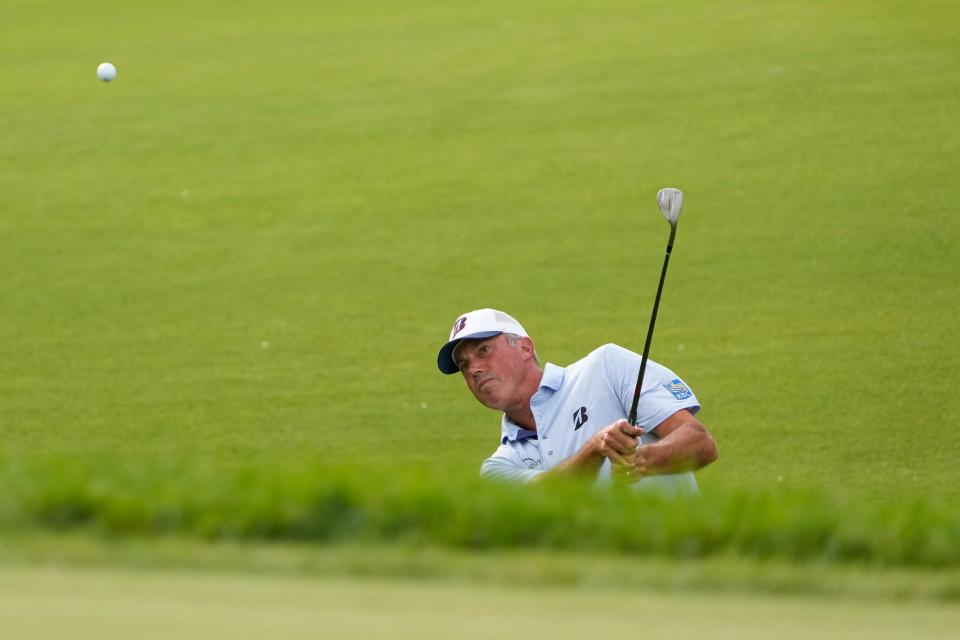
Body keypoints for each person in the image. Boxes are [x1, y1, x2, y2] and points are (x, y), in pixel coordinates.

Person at [437, 308, 717, 490]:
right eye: (463, 366)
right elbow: (544, 498)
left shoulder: (607, 366)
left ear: (525, 347)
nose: (473, 369)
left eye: (484, 350)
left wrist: (641, 460)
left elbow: (700, 443)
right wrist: (595, 448)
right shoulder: (499, 467)